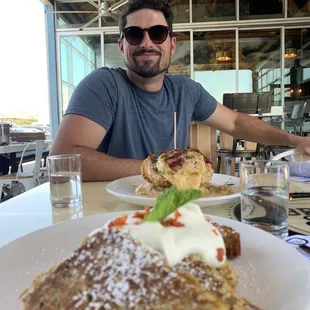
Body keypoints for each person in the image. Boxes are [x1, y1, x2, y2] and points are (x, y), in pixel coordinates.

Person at [50, 0, 310, 182]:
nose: (147, 43)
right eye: (134, 34)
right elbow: (64, 159)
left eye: (158, 33)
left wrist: (295, 140)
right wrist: (160, 167)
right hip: (112, 209)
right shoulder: (104, 85)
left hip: (171, 207)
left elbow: (235, 121)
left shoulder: (185, 90)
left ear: (172, 44)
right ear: (121, 46)